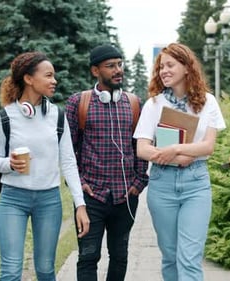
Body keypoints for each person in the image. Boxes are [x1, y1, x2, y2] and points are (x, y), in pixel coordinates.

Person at [0, 51, 90, 281]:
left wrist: (80, 204)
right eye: (48, 75)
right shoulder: (5, 117)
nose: (54, 80)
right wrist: (10, 164)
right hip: (13, 199)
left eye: (54, 76)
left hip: (48, 200)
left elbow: (68, 162)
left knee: (45, 270)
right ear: (28, 78)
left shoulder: (57, 116)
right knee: (11, 271)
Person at [133, 43, 226, 281]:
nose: (164, 70)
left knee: (190, 258)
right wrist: (176, 156)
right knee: (170, 256)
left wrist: (175, 148)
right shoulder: (154, 104)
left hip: (196, 184)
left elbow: (208, 146)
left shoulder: (208, 102)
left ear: (187, 67)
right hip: (162, 184)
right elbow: (142, 149)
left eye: (170, 65)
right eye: (161, 66)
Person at [65, 44, 149, 281]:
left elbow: (140, 145)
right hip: (91, 197)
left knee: (120, 255)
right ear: (95, 71)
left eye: (120, 64)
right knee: (88, 257)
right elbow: (68, 151)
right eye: (110, 66)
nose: (118, 70)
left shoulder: (133, 103)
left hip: (126, 196)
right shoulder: (78, 103)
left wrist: (139, 181)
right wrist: (80, 184)